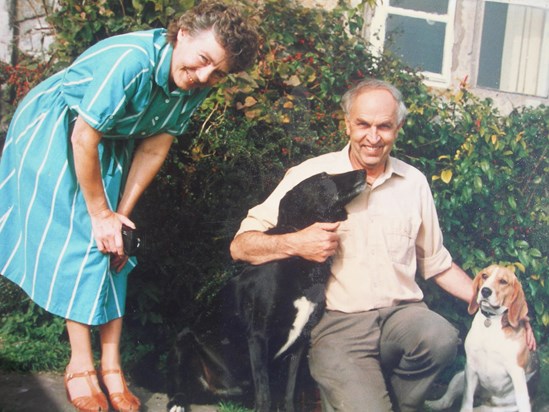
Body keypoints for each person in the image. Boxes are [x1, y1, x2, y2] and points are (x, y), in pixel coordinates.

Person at [0, 2, 258, 411]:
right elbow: (84, 137)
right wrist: (99, 215)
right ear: (184, 34)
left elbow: (155, 147)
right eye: (204, 60)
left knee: (119, 242)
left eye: (219, 72)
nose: (205, 76)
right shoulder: (131, 61)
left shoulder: (197, 83)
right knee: (85, 240)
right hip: (60, 128)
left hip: (107, 142)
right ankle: (80, 363)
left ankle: (112, 365)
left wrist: (119, 215)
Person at [230, 78, 536, 411]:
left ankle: (393, 402)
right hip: (339, 324)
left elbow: (438, 264)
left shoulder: (414, 183)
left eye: (384, 126)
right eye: (363, 124)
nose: (373, 137)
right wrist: (295, 242)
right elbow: (242, 246)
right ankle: (359, 392)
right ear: (347, 124)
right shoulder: (312, 175)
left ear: (398, 127)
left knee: (440, 337)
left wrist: (515, 314)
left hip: (401, 317)